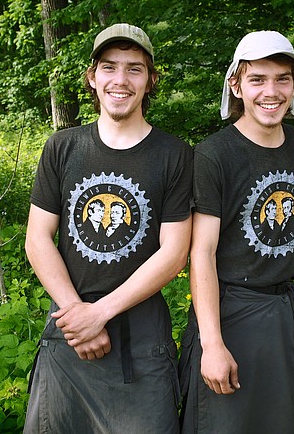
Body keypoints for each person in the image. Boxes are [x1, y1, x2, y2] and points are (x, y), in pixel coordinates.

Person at [178, 30, 294, 433]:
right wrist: (211, 344)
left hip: (281, 315)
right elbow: (202, 252)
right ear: (236, 85)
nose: (271, 91)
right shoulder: (213, 154)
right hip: (229, 314)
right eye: (257, 79)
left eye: (282, 78)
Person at [23, 23, 193, 434]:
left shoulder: (175, 155)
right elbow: (37, 238)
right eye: (109, 67)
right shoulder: (62, 147)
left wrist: (100, 314)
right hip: (68, 333)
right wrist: (76, 316)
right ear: (92, 77)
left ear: (151, 80)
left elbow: (174, 253)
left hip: (141, 340)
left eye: (135, 69)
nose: (120, 80)